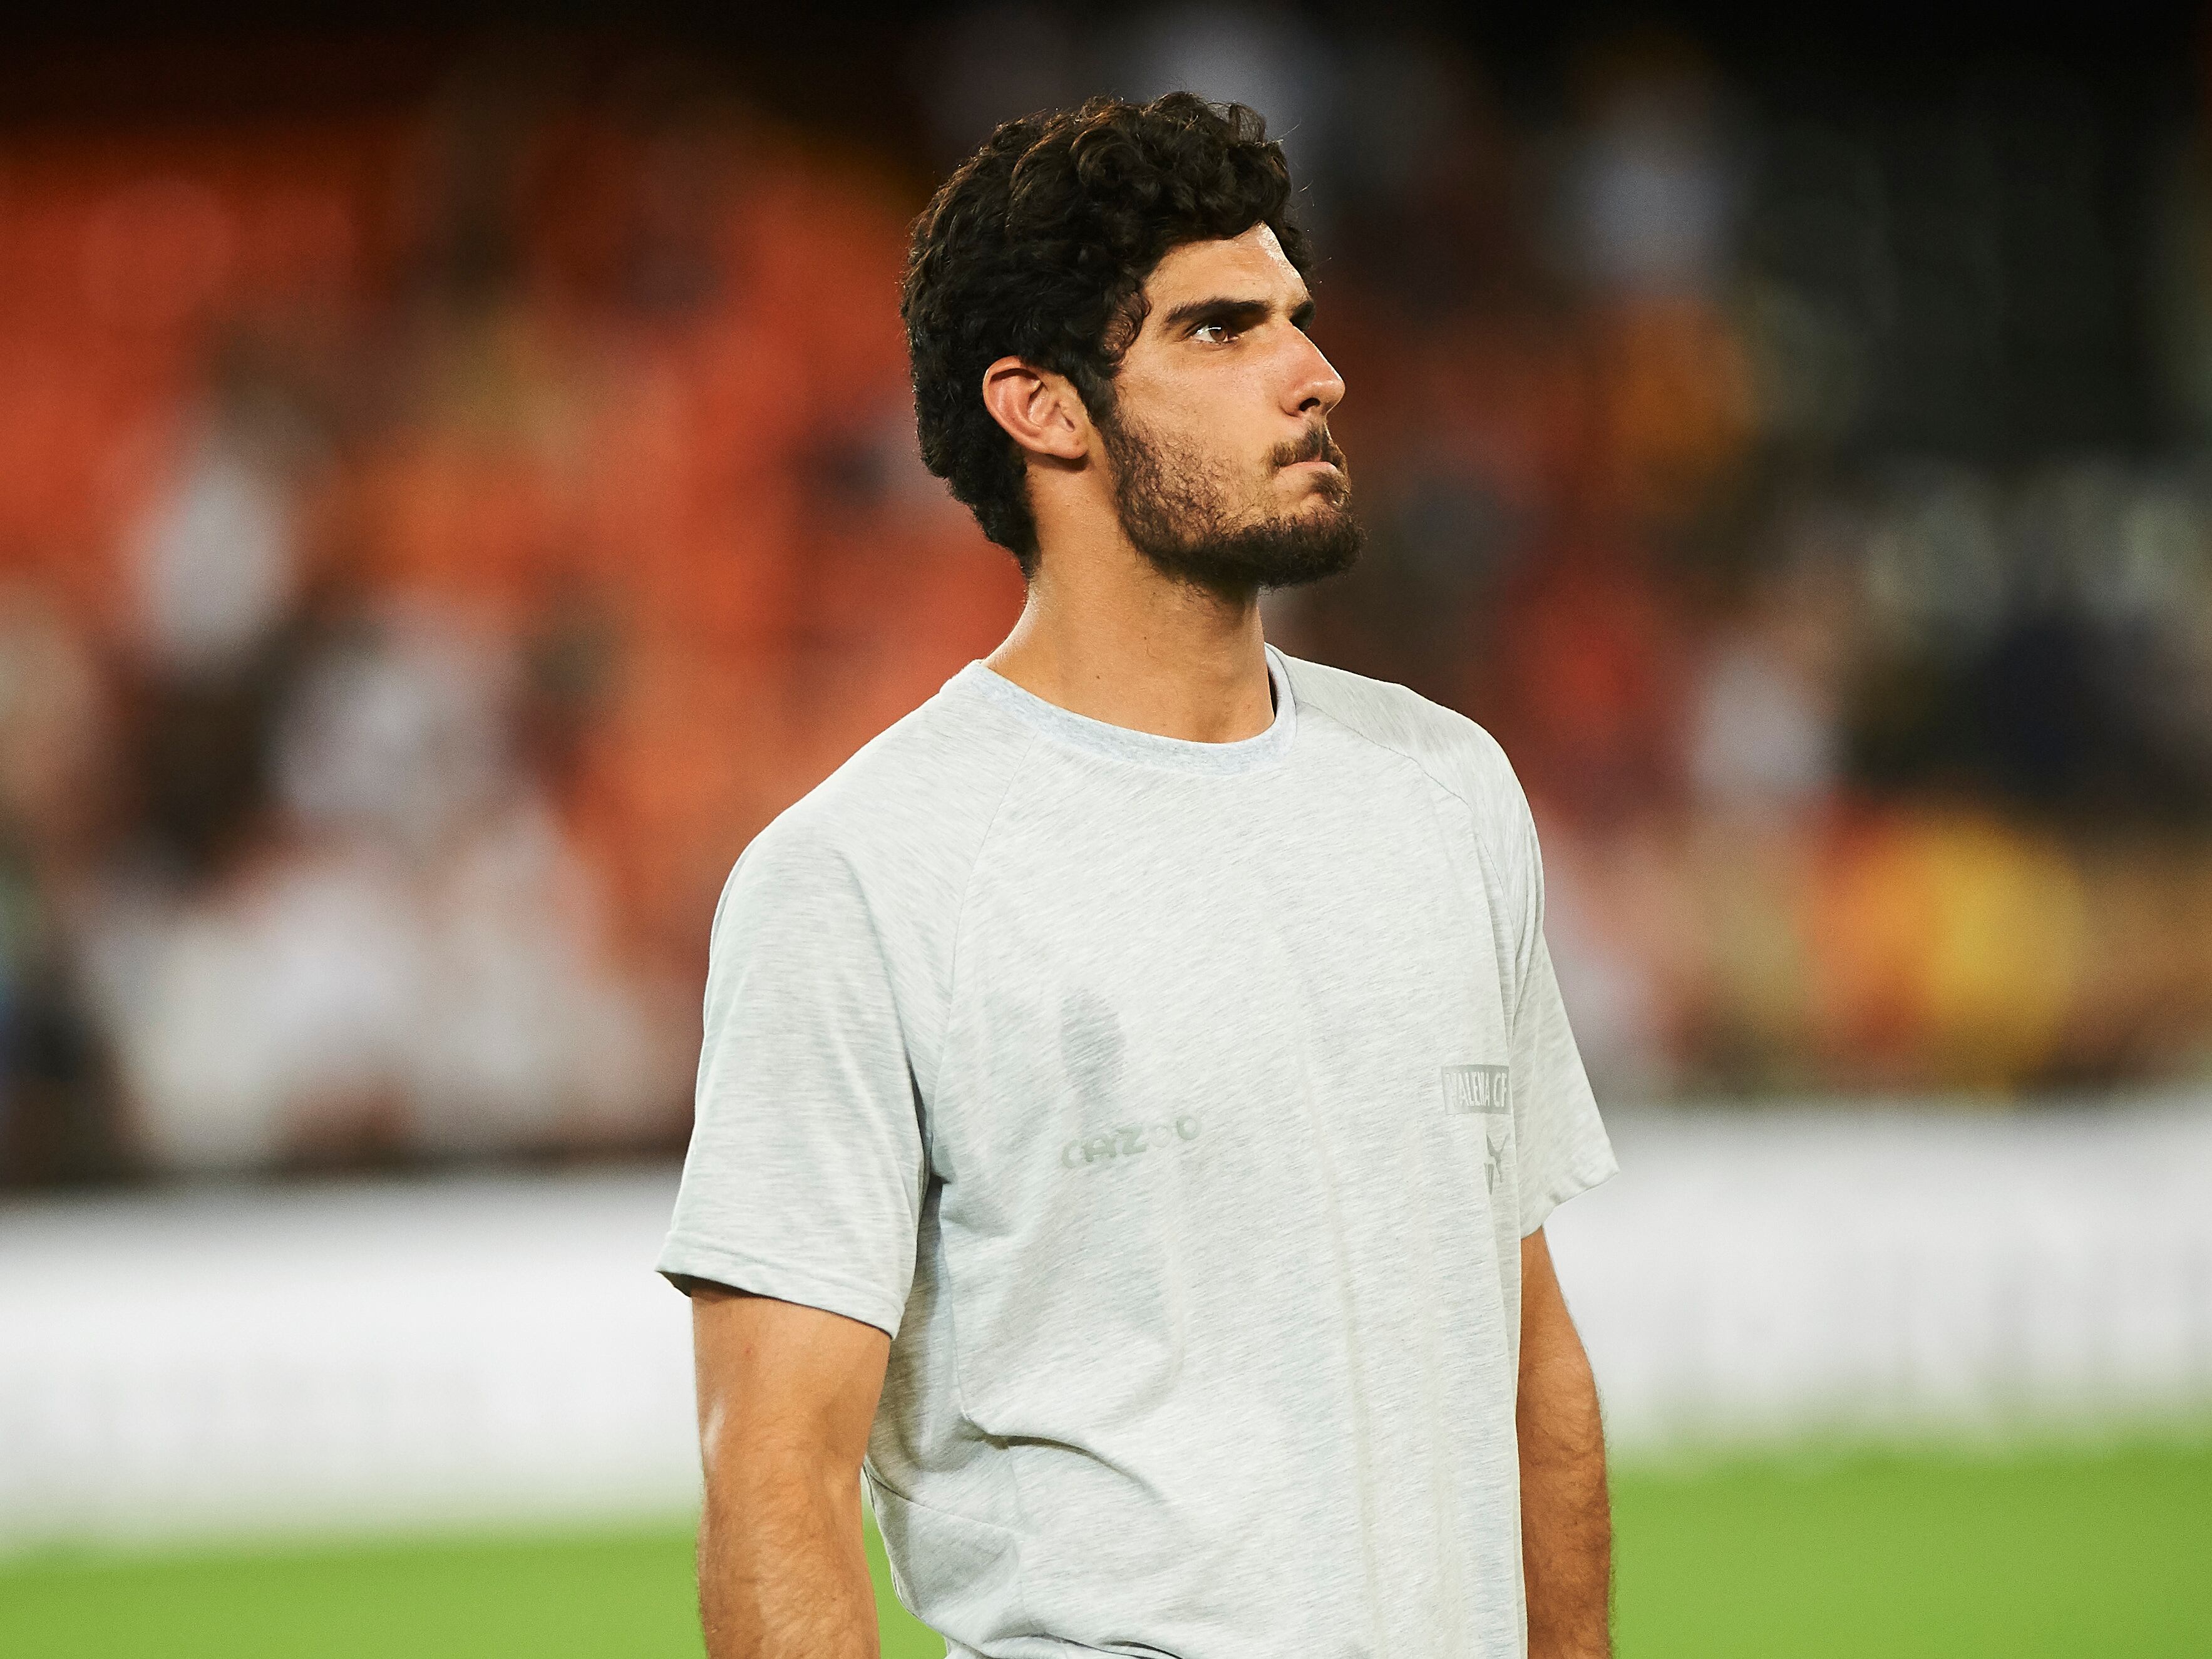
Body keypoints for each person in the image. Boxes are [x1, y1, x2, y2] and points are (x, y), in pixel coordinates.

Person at [659, 92, 1618, 1659]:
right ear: (1044, 407)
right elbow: (775, 1471)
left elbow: (1532, 1367)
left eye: (1295, 317)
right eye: (1222, 329)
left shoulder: (1445, 790)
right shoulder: (861, 876)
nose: (1316, 373)